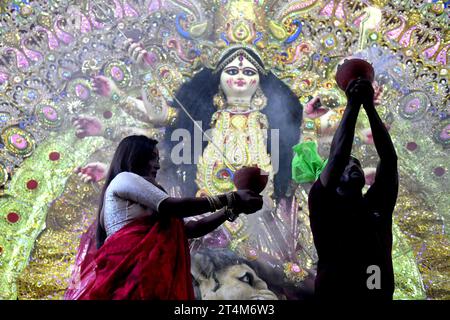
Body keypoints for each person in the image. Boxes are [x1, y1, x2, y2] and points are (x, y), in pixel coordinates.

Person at [64, 135, 263, 300]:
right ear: (135, 157)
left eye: (157, 159)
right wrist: (232, 197)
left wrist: (233, 209)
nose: (157, 165)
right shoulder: (124, 179)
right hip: (131, 276)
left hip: (154, 278)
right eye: (152, 158)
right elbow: (173, 207)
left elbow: (193, 229)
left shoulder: (150, 194)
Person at [308, 78, 398, 299]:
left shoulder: (375, 205)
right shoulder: (323, 203)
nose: (353, 166)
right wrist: (353, 105)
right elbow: (337, 156)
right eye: (347, 165)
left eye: (356, 163)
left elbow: (388, 160)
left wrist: (368, 106)